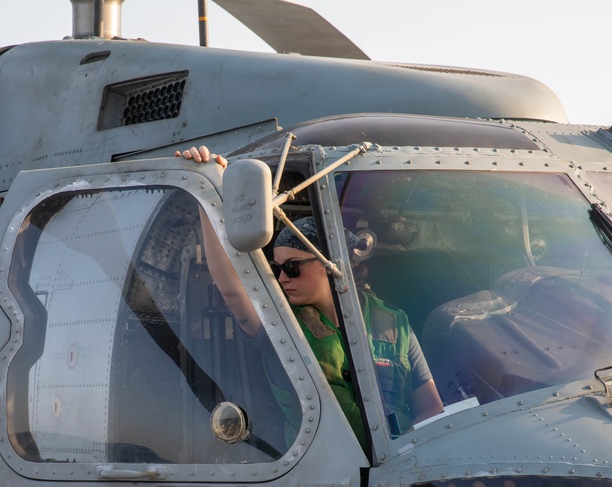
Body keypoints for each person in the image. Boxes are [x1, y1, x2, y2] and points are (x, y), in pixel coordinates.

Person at [177, 146, 443, 444]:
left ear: (329, 264)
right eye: (277, 268)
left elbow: (431, 406)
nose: (281, 278)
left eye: (292, 267)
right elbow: (230, 287)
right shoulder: (282, 328)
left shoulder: (395, 323)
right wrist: (206, 191)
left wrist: (406, 448)